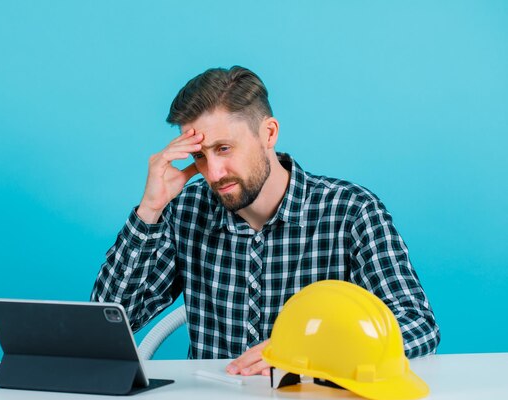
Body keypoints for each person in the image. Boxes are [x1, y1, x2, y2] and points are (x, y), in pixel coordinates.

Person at [91, 66, 440, 377]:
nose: (213, 173)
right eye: (199, 156)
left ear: (269, 134)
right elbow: (109, 321)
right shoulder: (185, 210)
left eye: (224, 148)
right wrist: (150, 210)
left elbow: (417, 326)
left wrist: (313, 354)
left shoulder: (351, 211)